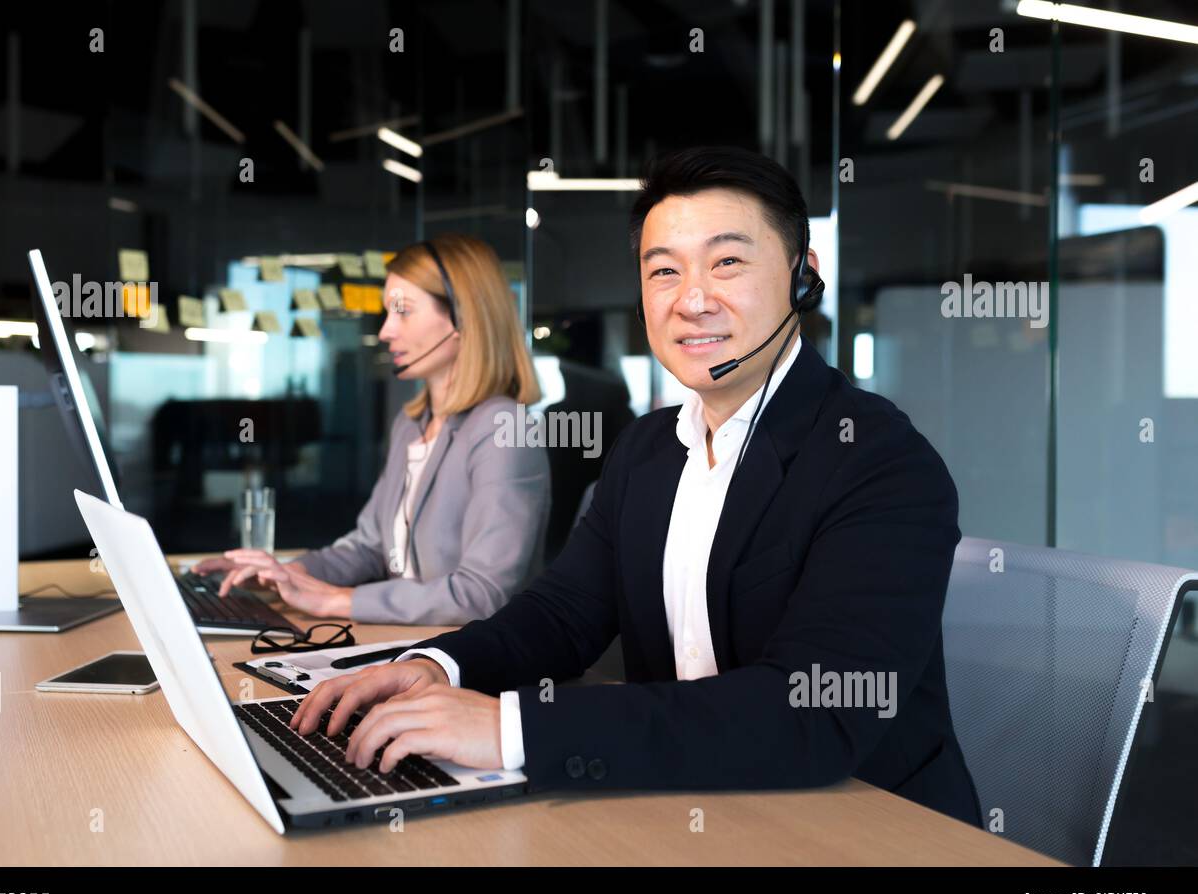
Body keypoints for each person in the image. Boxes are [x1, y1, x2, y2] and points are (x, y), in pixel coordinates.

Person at [285, 146, 983, 827]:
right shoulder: (648, 450)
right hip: (689, 808)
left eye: (728, 262)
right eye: (663, 271)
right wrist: (441, 666)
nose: (693, 300)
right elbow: (563, 613)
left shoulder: (880, 462)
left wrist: (512, 728)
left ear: (804, 276)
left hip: (866, 826)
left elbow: (812, 713)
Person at [194, 234, 549, 627]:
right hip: (409, 644)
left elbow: (482, 594)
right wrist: (283, 575)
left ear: (464, 318)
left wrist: (338, 602)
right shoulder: (411, 424)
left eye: (403, 311)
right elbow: (369, 547)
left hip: (473, 665)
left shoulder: (506, 430)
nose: (385, 331)